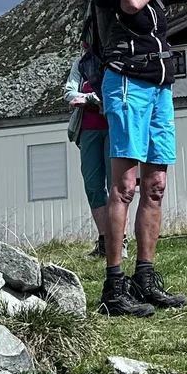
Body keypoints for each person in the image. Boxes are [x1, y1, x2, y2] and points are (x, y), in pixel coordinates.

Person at [93, 0, 187, 316]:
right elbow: (131, 4)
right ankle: (114, 285)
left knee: (156, 185)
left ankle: (144, 278)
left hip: (160, 88)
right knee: (125, 186)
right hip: (127, 83)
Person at [65, 53, 119, 261]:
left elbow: (113, 92)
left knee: (115, 184)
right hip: (87, 131)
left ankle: (119, 241)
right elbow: (69, 93)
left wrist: (86, 98)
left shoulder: (113, 59)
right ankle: (105, 242)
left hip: (112, 128)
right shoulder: (80, 64)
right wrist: (90, 99)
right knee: (93, 186)